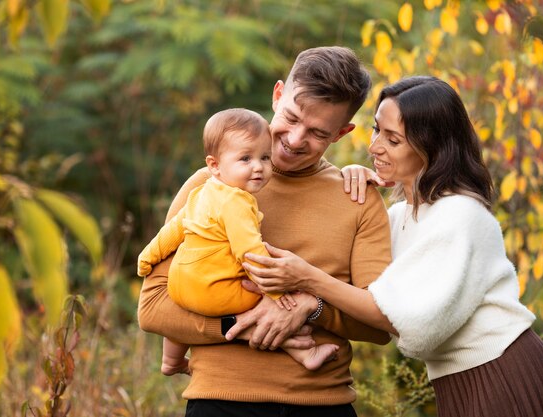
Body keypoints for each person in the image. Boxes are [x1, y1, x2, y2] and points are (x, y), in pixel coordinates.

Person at [240, 76, 543, 417]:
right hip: (456, 380)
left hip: (503, 372)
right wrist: (343, 179)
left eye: (394, 139)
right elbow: (356, 279)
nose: (374, 148)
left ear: (431, 147)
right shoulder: (399, 215)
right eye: (377, 131)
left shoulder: (460, 215)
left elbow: (401, 320)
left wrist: (306, 279)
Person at [137, 46, 393, 417]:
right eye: (291, 117)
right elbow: (153, 309)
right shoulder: (208, 185)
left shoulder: (358, 198)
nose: (294, 139)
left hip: (323, 404)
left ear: (342, 133)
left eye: (318, 133)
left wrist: (312, 306)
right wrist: (243, 321)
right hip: (220, 402)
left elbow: (380, 324)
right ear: (277, 95)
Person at [137, 108, 340, 375]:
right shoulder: (237, 201)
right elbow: (249, 252)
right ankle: (304, 352)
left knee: (189, 300)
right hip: (216, 291)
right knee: (271, 309)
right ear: (214, 165)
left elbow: (172, 232)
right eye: (245, 159)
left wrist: (147, 257)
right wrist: (276, 294)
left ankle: (171, 361)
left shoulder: (201, 192)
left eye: (264, 157)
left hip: (180, 287)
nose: (258, 167)